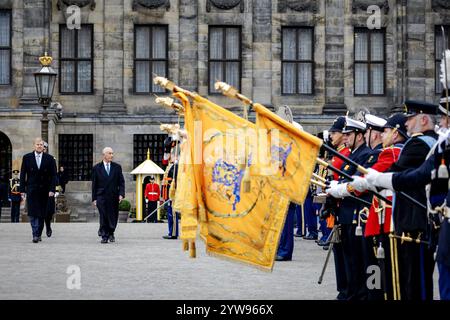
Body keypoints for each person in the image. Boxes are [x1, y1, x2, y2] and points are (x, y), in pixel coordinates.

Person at [19, 138, 57, 243]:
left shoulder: (49, 159)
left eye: (41, 144)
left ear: (43, 147)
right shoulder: (27, 158)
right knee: (32, 212)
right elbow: (23, 174)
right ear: (34, 145)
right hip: (32, 189)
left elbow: (54, 176)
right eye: (37, 144)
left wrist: (52, 189)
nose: (39, 146)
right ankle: (35, 234)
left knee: (41, 213)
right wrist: (22, 190)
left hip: (45, 190)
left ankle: (39, 233)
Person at [92, 147, 125, 244]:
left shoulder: (117, 167)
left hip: (113, 195)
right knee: (103, 215)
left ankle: (111, 232)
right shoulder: (96, 168)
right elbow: (94, 184)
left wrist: (121, 194)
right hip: (101, 196)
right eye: (110, 153)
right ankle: (104, 235)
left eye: (112, 153)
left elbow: (121, 182)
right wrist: (94, 198)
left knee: (113, 216)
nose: (112, 155)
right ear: (104, 155)